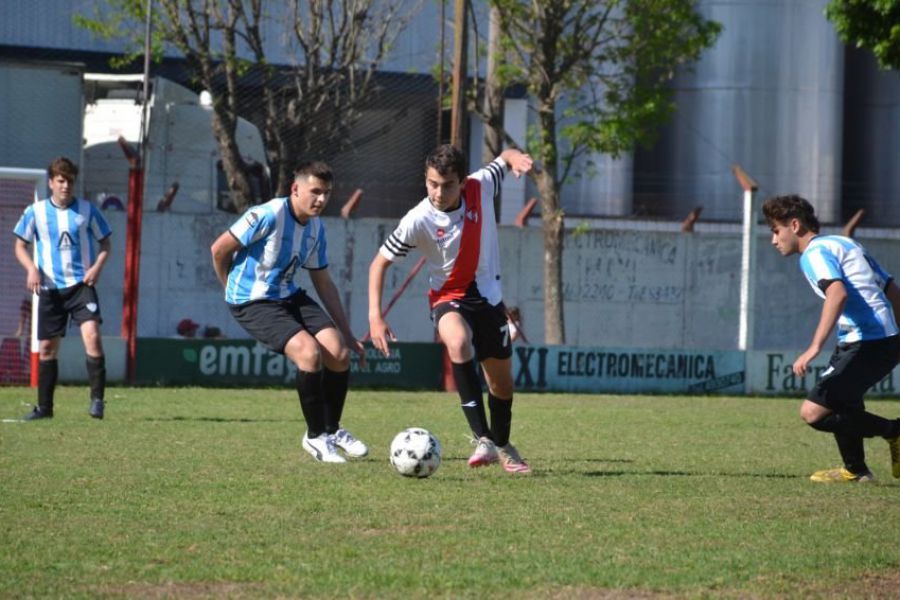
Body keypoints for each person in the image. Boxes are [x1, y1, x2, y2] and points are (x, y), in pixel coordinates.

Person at [368, 144, 534, 474]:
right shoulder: (418, 219)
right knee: (457, 343)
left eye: (447, 185)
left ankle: (502, 445)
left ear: (462, 182)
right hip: (448, 297)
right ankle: (482, 438)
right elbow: (379, 263)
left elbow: (505, 156)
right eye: (432, 184)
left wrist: (516, 160)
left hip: (488, 299)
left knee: (501, 386)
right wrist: (375, 316)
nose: (438, 192)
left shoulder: (481, 184)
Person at [211, 161, 368, 463]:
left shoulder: (316, 228)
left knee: (338, 352)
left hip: (287, 295)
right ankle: (315, 438)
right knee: (309, 354)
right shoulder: (267, 214)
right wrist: (230, 287)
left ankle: (332, 430)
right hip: (252, 301)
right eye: (315, 192)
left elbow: (323, 282)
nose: (321, 200)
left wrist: (348, 334)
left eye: (327, 194)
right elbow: (219, 250)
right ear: (295, 189)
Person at [762, 194, 900, 483]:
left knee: (813, 413)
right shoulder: (843, 243)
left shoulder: (813, 254)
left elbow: (837, 293)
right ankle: (856, 471)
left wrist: (813, 347)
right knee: (844, 402)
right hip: (874, 339)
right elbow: (889, 288)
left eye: (776, 230)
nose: (774, 240)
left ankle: (894, 431)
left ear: (795, 225)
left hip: (869, 340)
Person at [13, 157, 112, 420]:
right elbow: (19, 245)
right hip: (50, 288)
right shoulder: (36, 212)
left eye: (69, 181)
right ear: (51, 183)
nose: (65, 186)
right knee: (46, 348)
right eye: (60, 181)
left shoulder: (87, 211)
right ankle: (45, 408)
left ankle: (97, 401)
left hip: (81, 286)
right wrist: (31, 269)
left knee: (92, 336)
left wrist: (96, 268)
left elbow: (106, 244)